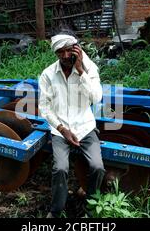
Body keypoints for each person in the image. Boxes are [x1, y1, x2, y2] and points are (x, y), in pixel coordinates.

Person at [38, 32, 105, 218]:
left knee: (97, 167)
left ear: (77, 49)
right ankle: (55, 211)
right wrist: (62, 129)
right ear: (56, 53)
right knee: (60, 168)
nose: (66, 56)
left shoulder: (89, 68)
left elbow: (96, 98)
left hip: (85, 127)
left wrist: (81, 70)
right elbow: (44, 107)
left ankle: (91, 208)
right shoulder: (48, 75)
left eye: (69, 50)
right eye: (61, 52)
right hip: (61, 131)